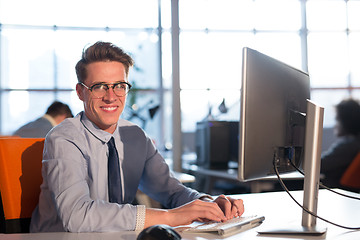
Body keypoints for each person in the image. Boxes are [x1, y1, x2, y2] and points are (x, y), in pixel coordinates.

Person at [30, 41, 244, 233]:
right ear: (80, 91)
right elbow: (77, 217)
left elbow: (170, 191)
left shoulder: (135, 136)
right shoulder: (64, 138)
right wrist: (170, 217)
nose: (111, 96)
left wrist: (208, 203)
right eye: (99, 87)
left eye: (119, 86)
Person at [321, 98, 360, 189]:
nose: (335, 124)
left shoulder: (348, 146)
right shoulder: (355, 143)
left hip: (335, 191)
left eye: (337, 119)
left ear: (347, 122)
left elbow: (317, 165)